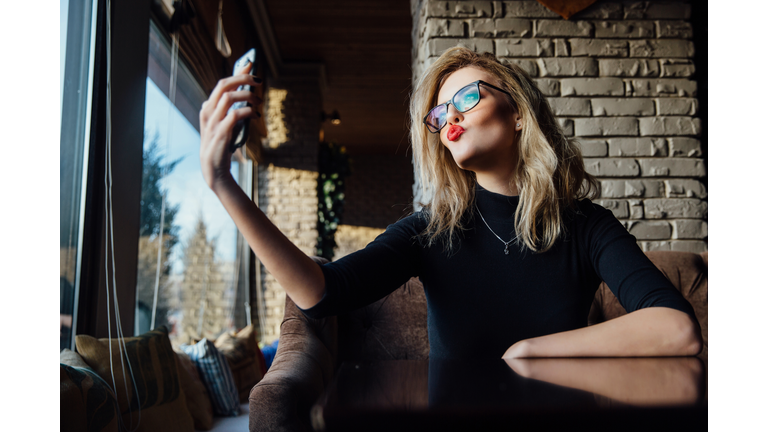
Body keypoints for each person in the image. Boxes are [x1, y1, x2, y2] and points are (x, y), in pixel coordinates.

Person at [198, 47, 702, 360]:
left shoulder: (586, 225)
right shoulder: (431, 230)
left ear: (519, 113)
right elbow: (321, 292)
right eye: (440, 114)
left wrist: (532, 350)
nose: (448, 119)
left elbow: (676, 328)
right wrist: (223, 182)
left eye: (466, 98)